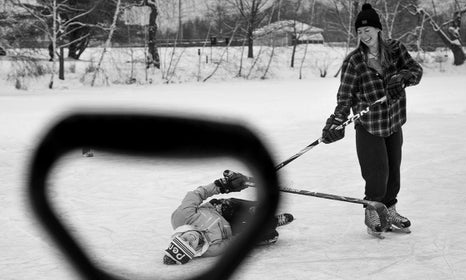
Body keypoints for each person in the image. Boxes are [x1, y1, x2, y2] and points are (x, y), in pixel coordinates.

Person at [321, 4, 423, 237]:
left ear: (378, 29)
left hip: (394, 121)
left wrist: (403, 77)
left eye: (368, 30)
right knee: (377, 173)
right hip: (369, 125)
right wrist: (336, 121)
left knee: (394, 172)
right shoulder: (354, 61)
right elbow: (345, 96)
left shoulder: (395, 50)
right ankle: (372, 211)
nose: (364, 35)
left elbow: (415, 70)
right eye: (360, 32)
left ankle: (390, 209)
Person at [163, 170, 294, 265]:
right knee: (272, 235)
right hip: (231, 229)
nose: (191, 238)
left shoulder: (181, 217)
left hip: (221, 210)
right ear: (196, 251)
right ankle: (271, 223)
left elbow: (197, 194)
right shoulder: (211, 249)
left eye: (184, 238)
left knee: (260, 209)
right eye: (191, 244)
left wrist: (222, 185)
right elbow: (235, 242)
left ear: (179, 235)